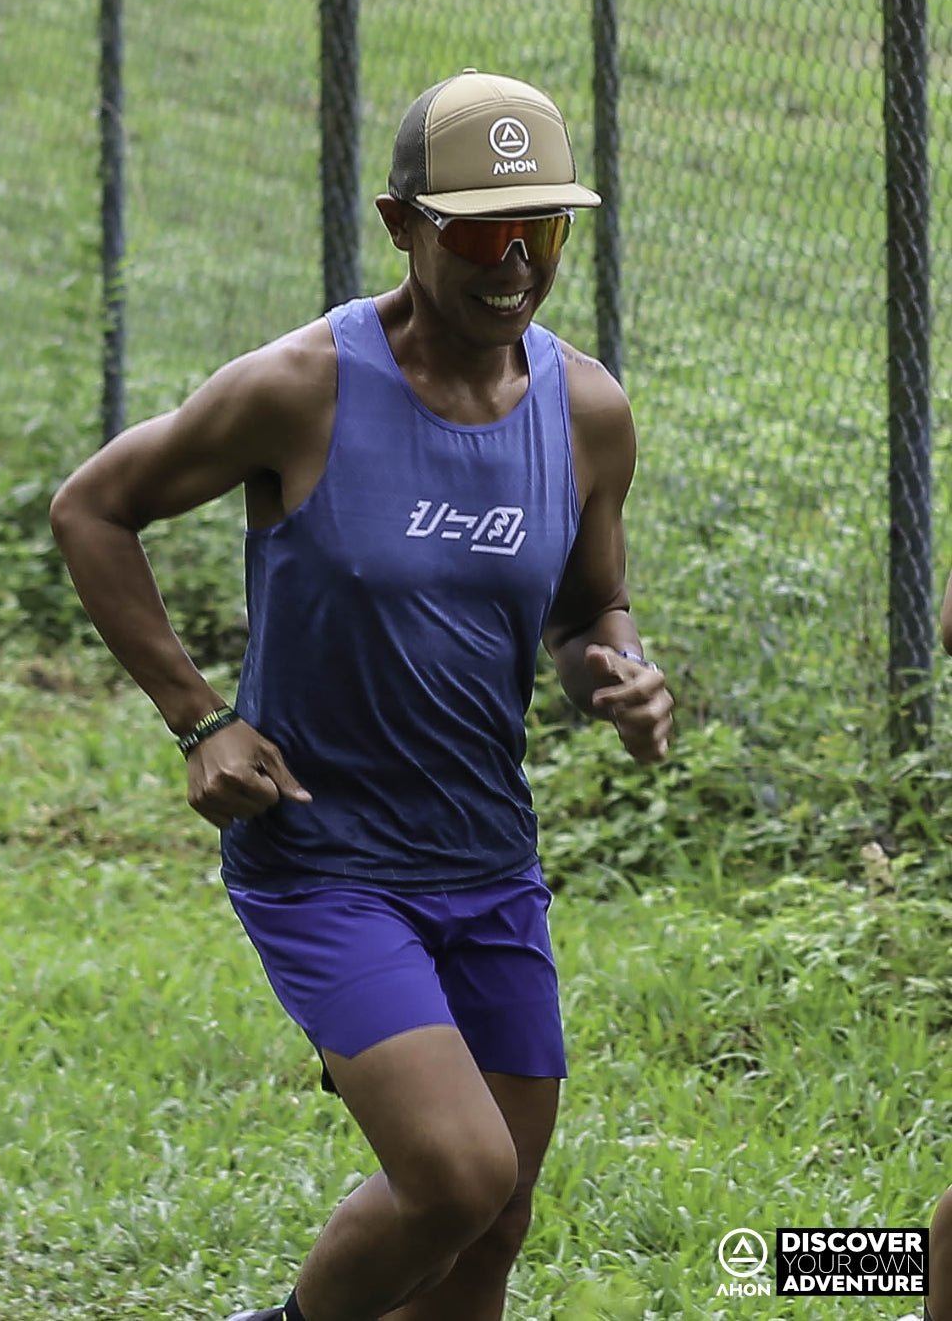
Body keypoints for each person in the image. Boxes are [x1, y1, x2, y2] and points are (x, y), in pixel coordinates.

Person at [50, 68, 673, 1321]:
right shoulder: (302, 387)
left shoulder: (587, 409)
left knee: (494, 1224)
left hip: (488, 858)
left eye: (541, 231)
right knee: (452, 1176)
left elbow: (582, 607)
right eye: (481, 233)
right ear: (402, 225)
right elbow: (93, 509)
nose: (515, 265)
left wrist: (619, 669)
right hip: (326, 859)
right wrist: (199, 717)